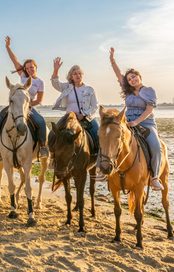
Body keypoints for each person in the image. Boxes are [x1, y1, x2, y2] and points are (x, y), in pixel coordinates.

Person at [108, 47, 164, 191]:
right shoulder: (128, 91)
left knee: (157, 147)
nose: (132, 80)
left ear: (139, 76)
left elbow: (149, 110)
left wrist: (136, 122)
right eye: (129, 79)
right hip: (127, 120)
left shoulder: (149, 90)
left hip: (146, 122)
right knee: (108, 136)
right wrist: (112, 59)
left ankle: (154, 177)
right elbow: (118, 73)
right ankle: (103, 170)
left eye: (134, 77)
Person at [0, 36, 48, 162]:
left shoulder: (40, 82)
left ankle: (43, 147)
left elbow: (39, 101)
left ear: (36, 67)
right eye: (27, 68)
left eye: (31, 67)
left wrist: (26, 104)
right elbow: (14, 60)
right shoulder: (22, 75)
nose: (29, 70)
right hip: (15, 104)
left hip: (30, 106)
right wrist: (8, 47)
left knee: (41, 122)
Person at [50, 57, 100, 168]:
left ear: (82, 75)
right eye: (75, 74)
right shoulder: (67, 87)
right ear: (71, 77)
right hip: (70, 117)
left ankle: (98, 161)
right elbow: (55, 83)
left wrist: (85, 114)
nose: (77, 75)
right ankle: (53, 158)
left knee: (99, 136)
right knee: (53, 134)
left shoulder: (90, 89)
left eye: (79, 73)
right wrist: (56, 70)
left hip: (87, 117)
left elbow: (95, 106)